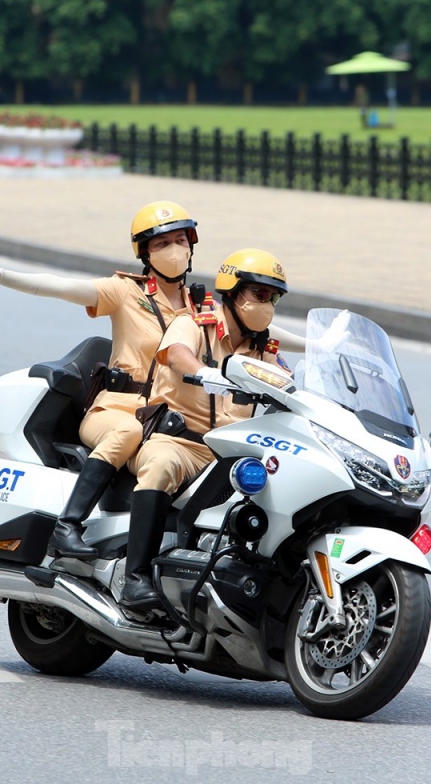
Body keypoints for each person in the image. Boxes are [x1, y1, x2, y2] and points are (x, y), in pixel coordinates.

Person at [0, 201, 210, 560]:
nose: (174, 250)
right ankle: (68, 525)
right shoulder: (126, 292)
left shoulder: (200, 308)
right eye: (162, 244)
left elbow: (252, 331)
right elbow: (61, 286)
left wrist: (318, 343)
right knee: (126, 431)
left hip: (164, 418)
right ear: (145, 253)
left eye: (180, 240)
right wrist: (0, 274)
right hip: (114, 411)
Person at [120, 248, 290, 609]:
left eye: (273, 297)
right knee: (161, 466)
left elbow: (287, 383)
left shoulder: (264, 349)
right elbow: (177, 353)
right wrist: (205, 371)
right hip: (180, 441)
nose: (267, 304)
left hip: (231, 454)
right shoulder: (195, 323)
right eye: (259, 294)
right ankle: (134, 578)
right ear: (233, 292)